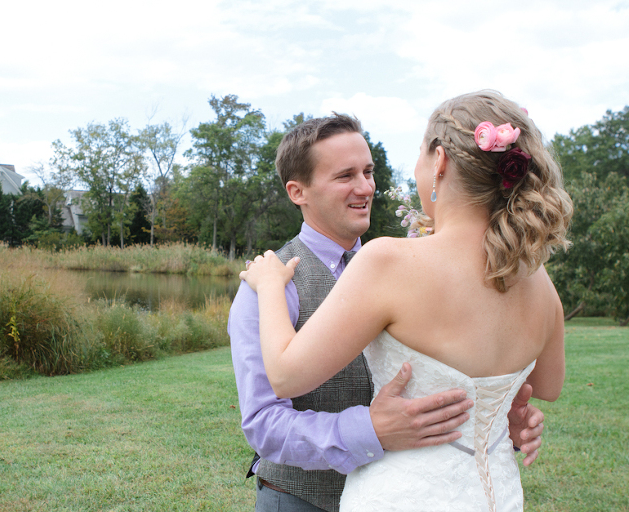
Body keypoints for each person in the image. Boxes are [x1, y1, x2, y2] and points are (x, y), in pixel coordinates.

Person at [229, 106, 549, 512]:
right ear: (298, 192)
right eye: (345, 176)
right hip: (303, 501)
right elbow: (264, 426)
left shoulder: (404, 269)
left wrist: (501, 424)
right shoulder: (268, 288)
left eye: (368, 171)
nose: (365, 187)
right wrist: (371, 430)